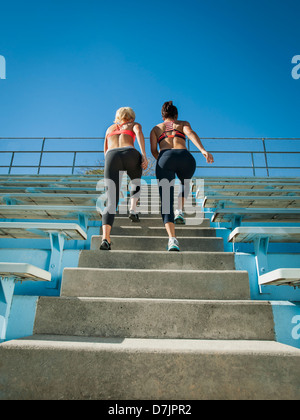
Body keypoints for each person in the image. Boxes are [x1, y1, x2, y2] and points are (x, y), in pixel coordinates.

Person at [150, 101, 214, 252]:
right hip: (185, 156)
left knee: (166, 202)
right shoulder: (182, 123)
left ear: (162, 115)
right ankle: (179, 210)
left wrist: (164, 159)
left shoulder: (156, 129)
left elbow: (153, 150)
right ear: (176, 115)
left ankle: (172, 239)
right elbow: (190, 134)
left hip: (165, 156)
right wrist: (203, 150)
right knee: (185, 182)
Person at [100, 107, 148, 250]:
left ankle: (105, 238)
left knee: (111, 200)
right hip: (130, 152)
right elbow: (139, 135)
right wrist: (144, 155)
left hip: (111, 156)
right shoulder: (134, 125)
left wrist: (110, 164)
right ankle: (133, 209)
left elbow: (105, 150)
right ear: (131, 117)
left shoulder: (109, 129)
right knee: (135, 180)